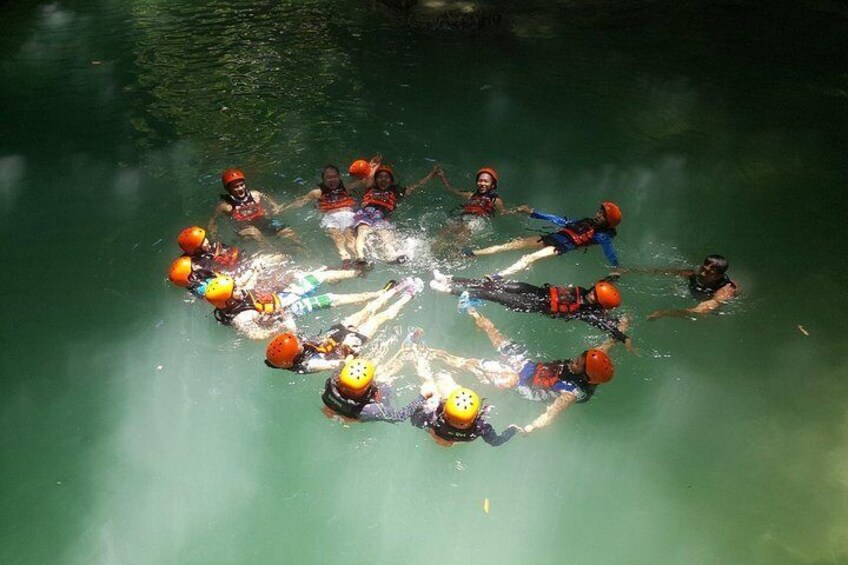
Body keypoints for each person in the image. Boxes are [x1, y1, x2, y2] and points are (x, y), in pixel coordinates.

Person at [410, 306, 620, 434]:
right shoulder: (588, 369)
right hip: (530, 366)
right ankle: (472, 309)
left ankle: (425, 351)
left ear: (586, 376)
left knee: (476, 365)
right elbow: (602, 349)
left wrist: (531, 427)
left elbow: (553, 412)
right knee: (494, 333)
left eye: (577, 363)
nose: (573, 360)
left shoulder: (570, 393)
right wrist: (619, 333)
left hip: (523, 385)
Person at [264, 277, 425, 372]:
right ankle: (409, 295)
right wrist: (350, 349)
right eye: (297, 344)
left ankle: (396, 289)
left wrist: (284, 316)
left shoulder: (291, 351)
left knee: (368, 309)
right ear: (294, 355)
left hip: (332, 335)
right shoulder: (310, 364)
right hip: (344, 346)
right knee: (381, 317)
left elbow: (293, 332)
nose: (298, 341)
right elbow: (341, 365)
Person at [430, 272, 633, 346]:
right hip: (535, 291)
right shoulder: (590, 292)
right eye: (594, 291)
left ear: (599, 304)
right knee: (494, 285)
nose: (591, 295)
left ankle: (448, 290)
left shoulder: (588, 312)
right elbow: (601, 283)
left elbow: (604, 326)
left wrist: (623, 337)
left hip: (532, 305)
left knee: (493, 295)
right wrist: (613, 277)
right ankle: (449, 278)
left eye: (596, 297)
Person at [204, 268, 384, 340]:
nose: (238, 288)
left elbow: (248, 288)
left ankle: (359, 271)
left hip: (282, 296)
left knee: (319, 276)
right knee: (332, 298)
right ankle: (376, 295)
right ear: (228, 300)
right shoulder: (241, 318)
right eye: (233, 289)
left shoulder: (236, 295)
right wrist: (280, 326)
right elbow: (255, 335)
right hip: (289, 310)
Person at [465, 201, 622, 278]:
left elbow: (610, 253)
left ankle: (498, 276)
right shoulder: (587, 221)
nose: (597, 215)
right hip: (551, 237)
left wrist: (616, 266)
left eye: (602, 215)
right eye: (599, 212)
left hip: (560, 247)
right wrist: (533, 213)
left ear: (608, 222)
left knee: (530, 257)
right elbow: (559, 220)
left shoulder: (602, 237)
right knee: (512, 245)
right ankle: (474, 253)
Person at [407, 354, 519, 447]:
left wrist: (422, 397)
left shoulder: (433, 418)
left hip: (440, 432)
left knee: (432, 383)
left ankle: (419, 358)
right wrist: (512, 430)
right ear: (475, 416)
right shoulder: (479, 427)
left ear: (445, 410)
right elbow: (496, 441)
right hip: (454, 438)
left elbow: (414, 419)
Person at [278, 162, 377, 261]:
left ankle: (358, 260)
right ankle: (345, 258)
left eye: (335, 177)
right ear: (323, 180)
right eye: (328, 177)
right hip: (331, 217)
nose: (332, 180)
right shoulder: (317, 193)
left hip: (348, 216)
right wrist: (283, 209)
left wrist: (371, 167)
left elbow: (365, 180)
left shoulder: (346, 188)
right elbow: (300, 202)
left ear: (339, 177)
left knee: (350, 237)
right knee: (337, 237)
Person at [352, 164, 438, 264]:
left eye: (386, 177)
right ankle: (360, 257)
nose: (383, 179)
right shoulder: (370, 188)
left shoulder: (396, 191)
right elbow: (369, 177)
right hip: (366, 212)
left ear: (391, 180)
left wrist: (431, 175)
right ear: (376, 180)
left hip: (381, 216)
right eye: (380, 177)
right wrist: (375, 165)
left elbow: (417, 185)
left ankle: (392, 256)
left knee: (385, 234)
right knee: (362, 231)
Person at [619, 254, 738, 320]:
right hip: (701, 294)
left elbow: (698, 312)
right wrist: (629, 270)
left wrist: (664, 312)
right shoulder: (694, 274)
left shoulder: (724, 291)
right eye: (703, 269)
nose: (702, 274)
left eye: (709, 273)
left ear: (719, 276)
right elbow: (662, 272)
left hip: (715, 313)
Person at [320, 358, 437, 422]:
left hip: (333, 407)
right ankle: (402, 358)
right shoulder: (371, 410)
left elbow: (343, 363)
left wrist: (350, 357)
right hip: (356, 416)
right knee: (386, 384)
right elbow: (400, 416)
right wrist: (422, 396)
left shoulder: (332, 381)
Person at [430, 165, 517, 252]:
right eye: (480, 181)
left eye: (486, 181)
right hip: (464, 218)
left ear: (492, 185)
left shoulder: (496, 200)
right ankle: (434, 250)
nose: (482, 183)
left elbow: (503, 212)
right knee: (446, 230)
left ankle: (459, 252)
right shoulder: (470, 195)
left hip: (479, 221)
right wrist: (442, 177)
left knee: (465, 229)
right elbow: (452, 190)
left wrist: (519, 210)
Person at [208, 168, 300, 244]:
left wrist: (275, 207)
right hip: (245, 231)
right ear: (228, 189)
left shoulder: (255, 195)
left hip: (264, 224)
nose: (240, 189)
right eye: (236, 187)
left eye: (242, 185)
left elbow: (271, 202)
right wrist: (214, 238)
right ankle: (274, 253)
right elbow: (212, 221)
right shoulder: (225, 205)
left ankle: (305, 252)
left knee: (288, 232)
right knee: (254, 232)